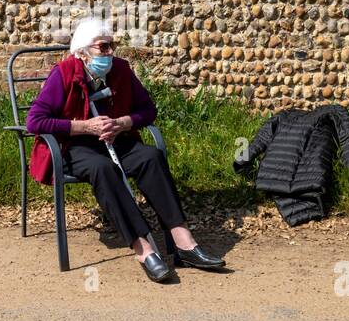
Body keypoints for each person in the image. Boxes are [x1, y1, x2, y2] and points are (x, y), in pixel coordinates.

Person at [26, 18, 225, 283]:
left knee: (151, 157)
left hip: (117, 139)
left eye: (112, 46)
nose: (110, 53)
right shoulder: (62, 73)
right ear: (83, 52)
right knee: (103, 168)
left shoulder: (121, 69)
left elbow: (148, 110)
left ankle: (184, 243)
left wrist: (121, 123)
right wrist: (84, 126)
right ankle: (144, 250)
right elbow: (35, 121)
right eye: (103, 47)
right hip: (75, 145)